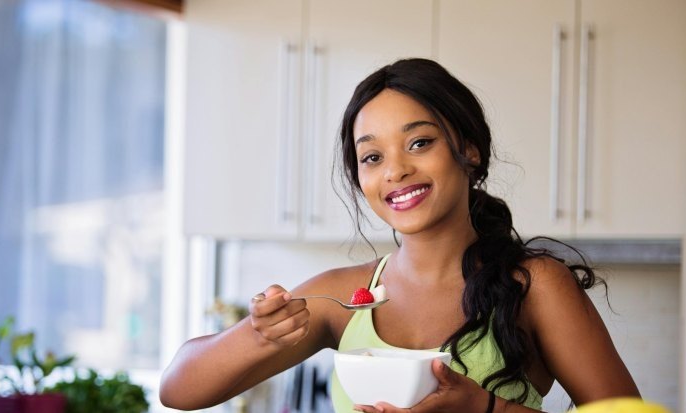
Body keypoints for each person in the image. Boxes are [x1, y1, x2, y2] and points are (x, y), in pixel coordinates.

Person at [159, 58, 640, 412]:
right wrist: (258, 334)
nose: (396, 170)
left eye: (419, 142)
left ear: (468, 150)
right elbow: (178, 389)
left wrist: (482, 408)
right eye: (372, 157)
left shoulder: (533, 286)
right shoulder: (342, 299)